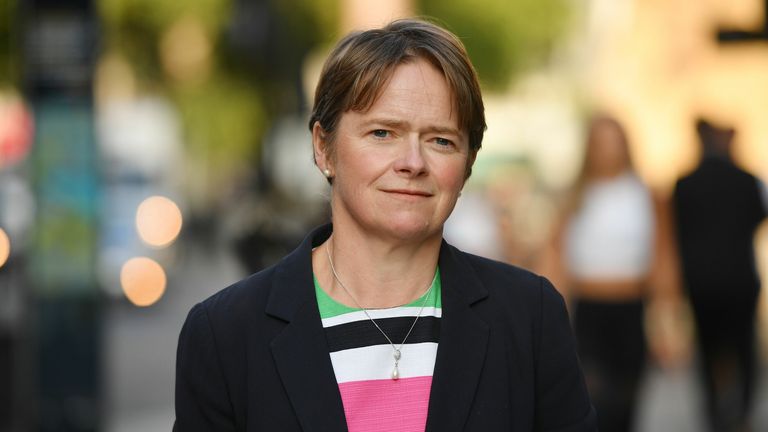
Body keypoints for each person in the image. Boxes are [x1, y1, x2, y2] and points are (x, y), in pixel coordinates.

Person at [174, 18, 596, 432]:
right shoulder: (225, 334)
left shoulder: (529, 318)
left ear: (467, 165)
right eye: (382, 133)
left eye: (441, 140)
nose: (412, 163)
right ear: (324, 148)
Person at [545, 114, 679, 432]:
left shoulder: (646, 195)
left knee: (628, 401)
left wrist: (669, 319)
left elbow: (663, 256)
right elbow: (556, 257)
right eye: (600, 142)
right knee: (594, 399)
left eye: (613, 141)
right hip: (589, 309)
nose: (607, 150)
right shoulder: (574, 197)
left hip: (632, 308)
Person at [673, 118, 767, 432]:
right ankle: (740, 411)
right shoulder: (746, 180)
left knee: (708, 350)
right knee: (743, 349)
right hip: (739, 279)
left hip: (701, 282)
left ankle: (714, 413)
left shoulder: (686, 184)